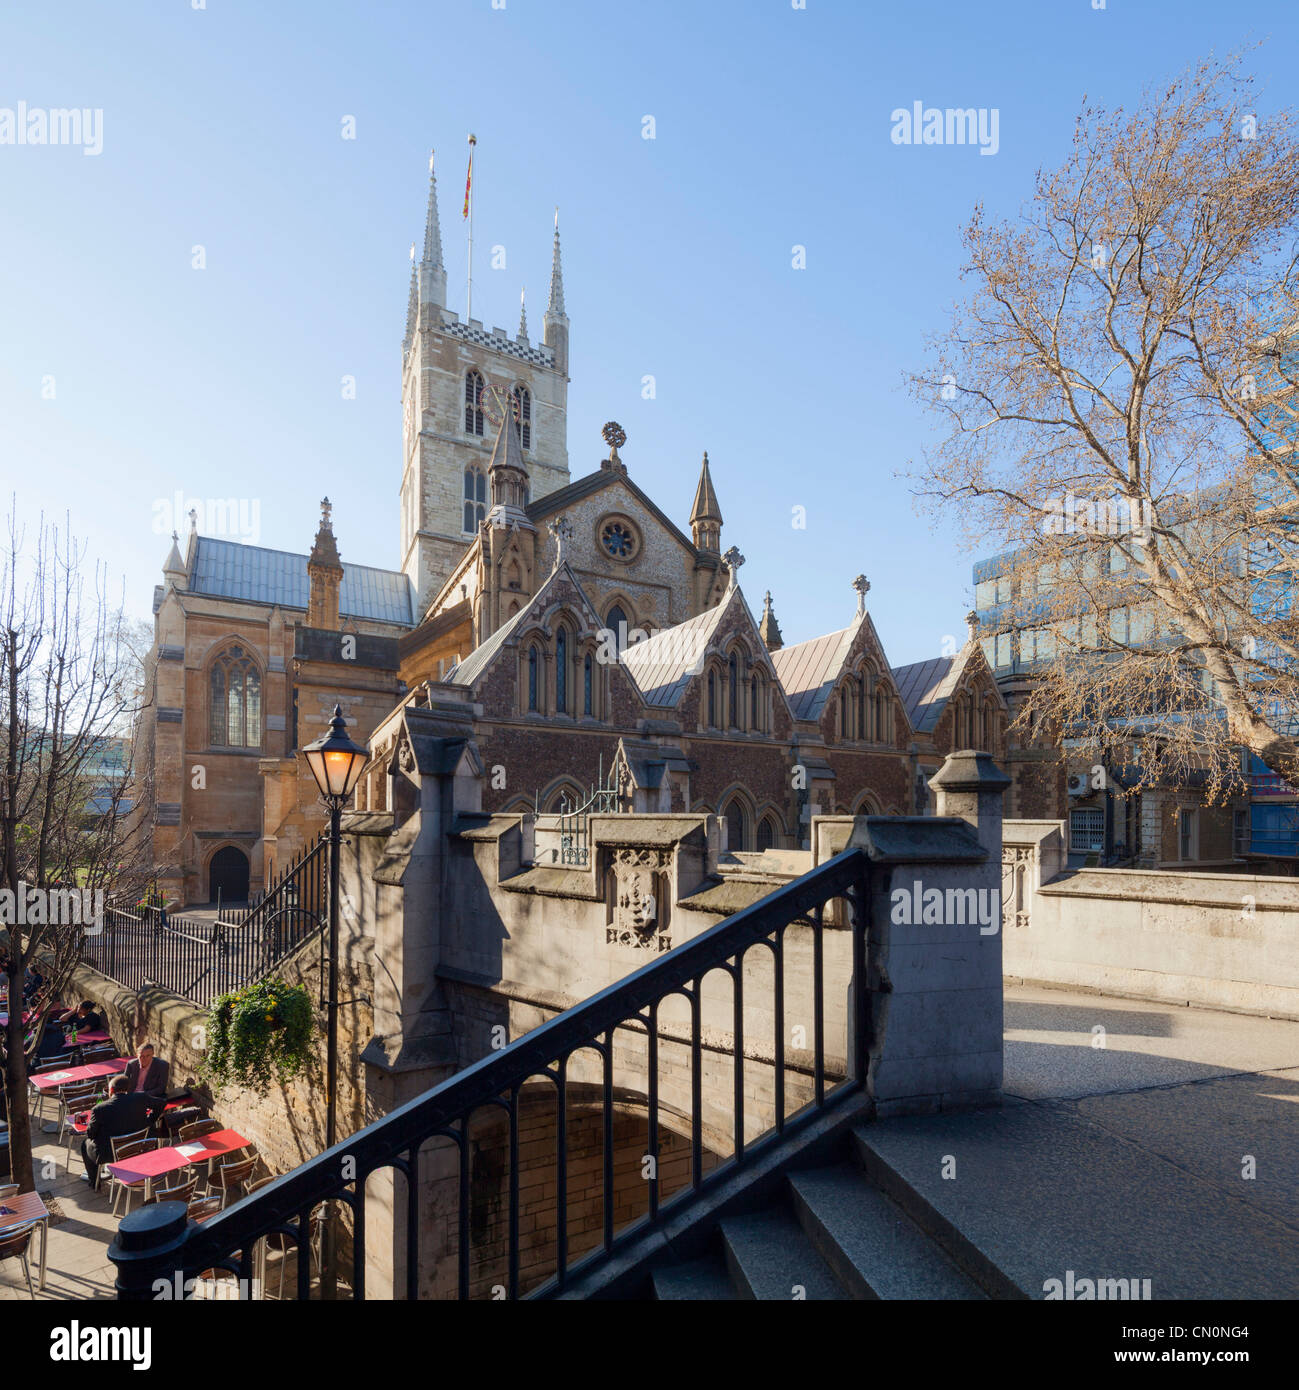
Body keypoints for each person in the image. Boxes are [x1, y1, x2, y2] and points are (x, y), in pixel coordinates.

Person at [81, 1076, 161, 1188]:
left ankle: (94, 1182)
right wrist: (150, 1120)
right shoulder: (141, 1097)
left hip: (111, 1154)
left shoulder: (99, 1109)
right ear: (127, 1089)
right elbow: (161, 1104)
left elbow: (90, 1134)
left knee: (85, 1144)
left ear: (111, 1090)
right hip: (140, 1147)